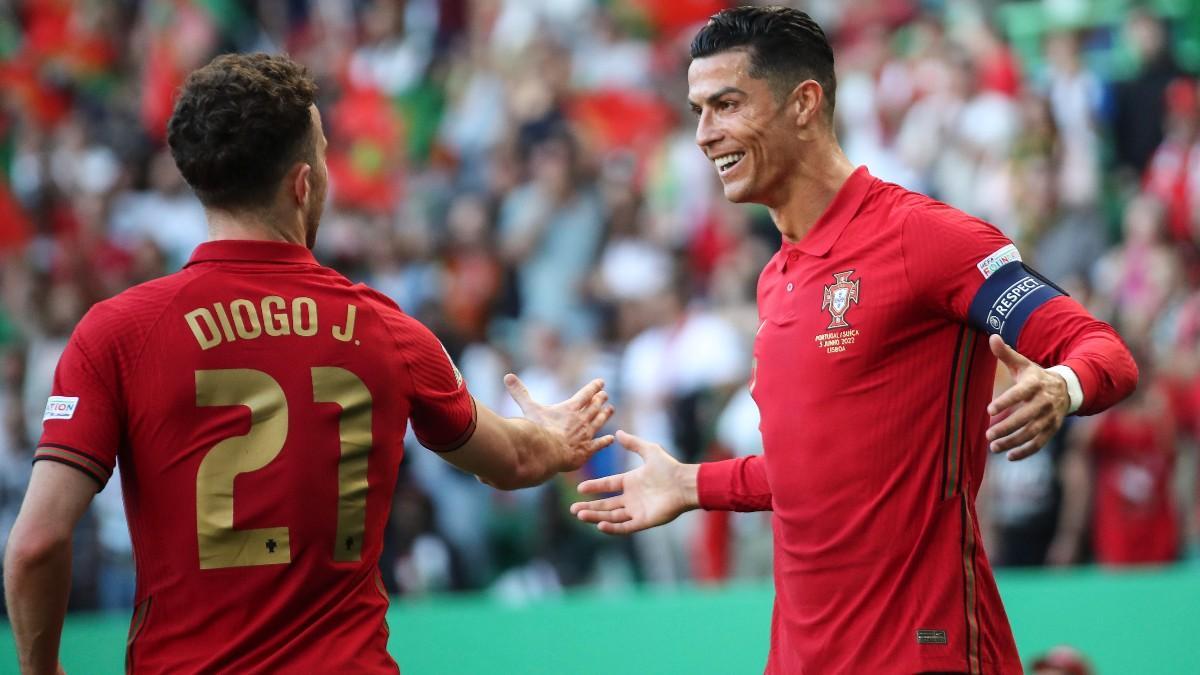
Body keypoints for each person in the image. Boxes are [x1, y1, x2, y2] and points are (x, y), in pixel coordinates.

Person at [3, 53, 615, 675]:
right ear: (302, 184)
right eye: (323, 155)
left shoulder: (117, 334)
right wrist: (557, 437)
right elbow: (514, 459)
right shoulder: (386, 329)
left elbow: (35, 545)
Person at [571, 7, 1137, 674]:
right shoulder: (776, 277)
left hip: (923, 652)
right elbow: (821, 473)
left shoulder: (926, 239)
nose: (703, 134)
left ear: (804, 103)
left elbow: (1104, 350)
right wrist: (694, 483)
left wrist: (1062, 384)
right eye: (697, 109)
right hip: (802, 658)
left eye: (725, 105)